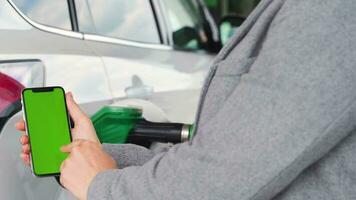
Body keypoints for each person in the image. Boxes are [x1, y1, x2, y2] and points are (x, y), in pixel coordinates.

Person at [16, 0, 356, 199]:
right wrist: (98, 157)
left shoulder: (329, 14)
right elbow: (224, 158)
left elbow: (221, 175)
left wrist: (103, 186)